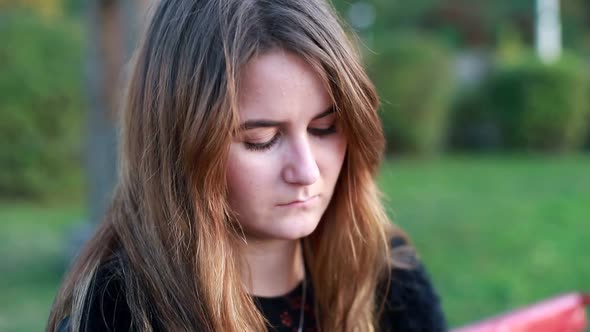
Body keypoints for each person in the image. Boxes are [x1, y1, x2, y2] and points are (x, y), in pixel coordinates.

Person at [47, 0, 447, 331]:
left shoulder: (389, 280)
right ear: (180, 146)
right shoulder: (117, 316)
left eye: (325, 128)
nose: (305, 171)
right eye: (261, 140)